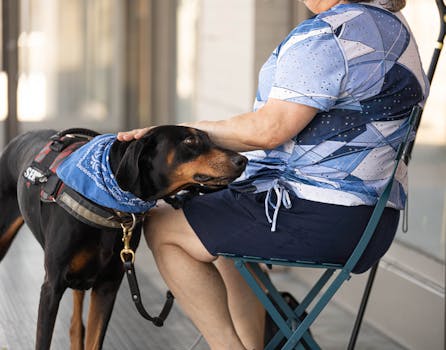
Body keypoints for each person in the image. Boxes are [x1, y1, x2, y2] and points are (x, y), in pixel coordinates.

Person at [118, 1, 429, 349]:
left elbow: (269, 129)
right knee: (210, 226)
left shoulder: (326, 35)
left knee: (163, 226)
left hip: (318, 216)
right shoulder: (393, 28)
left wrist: (179, 131)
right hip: (371, 224)